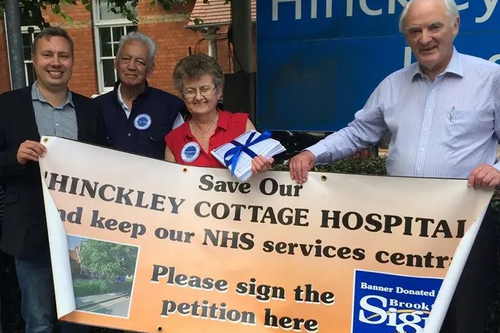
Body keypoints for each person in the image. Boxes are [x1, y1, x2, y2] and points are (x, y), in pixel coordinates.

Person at [289, 0, 500, 332]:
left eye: (434, 27)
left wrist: (499, 170)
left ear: (455, 26)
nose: (425, 38)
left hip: (465, 225)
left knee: (464, 317)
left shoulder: (490, 79)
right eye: (414, 31)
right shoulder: (392, 85)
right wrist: (314, 154)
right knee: (401, 313)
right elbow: (359, 132)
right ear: (406, 37)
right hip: (402, 226)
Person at [0, 27, 106, 333]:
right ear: (34, 59)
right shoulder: (7, 106)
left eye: (63, 55)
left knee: (79, 322)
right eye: (47, 54)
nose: (55, 62)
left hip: (79, 233)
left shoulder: (90, 109)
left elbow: (103, 164)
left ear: (72, 61)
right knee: (38, 323)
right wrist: (14, 157)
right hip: (30, 231)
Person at [165, 53, 272, 173]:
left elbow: (262, 173)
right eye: (190, 91)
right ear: (183, 96)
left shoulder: (241, 125)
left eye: (205, 89)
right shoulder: (174, 140)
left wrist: (262, 167)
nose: (198, 97)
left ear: (219, 91)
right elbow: (171, 186)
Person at [96, 31, 187, 160]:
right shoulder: (95, 108)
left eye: (140, 62)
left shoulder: (170, 108)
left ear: (150, 69)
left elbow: (183, 157)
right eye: (126, 59)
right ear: (116, 63)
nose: (132, 66)